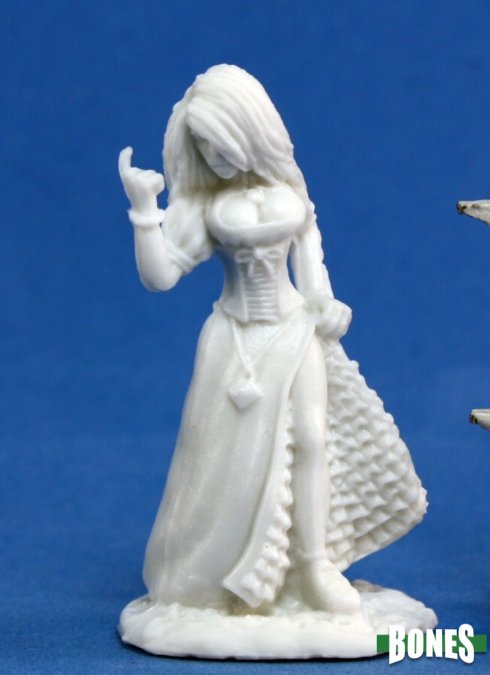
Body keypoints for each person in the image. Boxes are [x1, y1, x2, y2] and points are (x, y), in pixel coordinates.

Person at [118, 64, 427, 619]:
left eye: (221, 141)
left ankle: (313, 566)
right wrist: (144, 211)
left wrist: (327, 304)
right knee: (221, 459)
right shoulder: (203, 207)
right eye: (203, 145)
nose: (213, 155)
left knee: (311, 439)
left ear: (250, 130)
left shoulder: (291, 194)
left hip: (292, 330)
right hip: (233, 338)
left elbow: (313, 273)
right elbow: (160, 276)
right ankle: (213, 575)